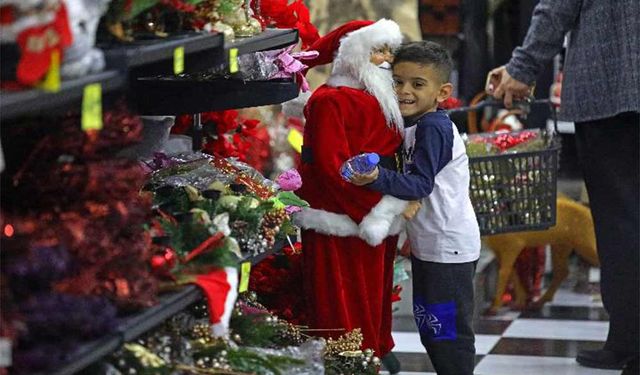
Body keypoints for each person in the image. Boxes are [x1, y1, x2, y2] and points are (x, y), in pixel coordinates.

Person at [484, 1, 639, 371]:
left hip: (612, 89)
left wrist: (523, 65)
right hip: (615, 92)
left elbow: (558, 7)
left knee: (621, 223)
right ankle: (625, 338)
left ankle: (631, 341)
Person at [349, 40, 481, 375]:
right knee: (432, 327)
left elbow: (421, 185)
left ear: (442, 92)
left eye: (417, 84)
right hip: (431, 244)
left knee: (447, 334)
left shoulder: (434, 127)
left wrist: (377, 177)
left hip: (448, 247)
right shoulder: (415, 123)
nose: (405, 91)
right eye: (398, 81)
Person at [293, 19, 413, 366]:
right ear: (354, 54)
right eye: (378, 50)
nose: (387, 59)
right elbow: (332, 167)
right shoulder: (331, 100)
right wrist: (371, 210)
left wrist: (386, 206)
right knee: (339, 299)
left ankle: (376, 347)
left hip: (377, 211)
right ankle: (347, 362)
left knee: (374, 292)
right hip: (342, 214)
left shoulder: (381, 97)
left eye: (390, 50)